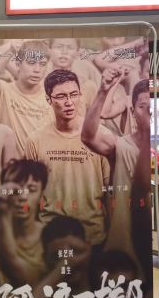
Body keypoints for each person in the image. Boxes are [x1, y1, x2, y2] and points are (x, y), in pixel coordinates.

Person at [24, 69, 109, 255]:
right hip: (51, 237)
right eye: (61, 96)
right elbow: (31, 195)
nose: (69, 102)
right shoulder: (35, 141)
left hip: (93, 237)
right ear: (49, 99)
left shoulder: (101, 136)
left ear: (80, 95)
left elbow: (111, 191)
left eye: (73, 95)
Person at [81, 69, 151, 274]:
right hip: (123, 253)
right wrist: (103, 91)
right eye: (143, 107)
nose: (148, 113)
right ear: (132, 110)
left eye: (153, 108)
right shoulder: (121, 146)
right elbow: (88, 137)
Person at [0, 158, 49, 298]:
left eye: (31, 189)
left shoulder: (50, 238)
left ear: (42, 195)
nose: (22, 196)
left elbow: (24, 276)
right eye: (14, 189)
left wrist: (3, 213)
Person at [0, 40, 52, 154]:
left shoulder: (51, 97)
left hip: (43, 163)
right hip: (11, 164)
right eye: (31, 62)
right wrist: (11, 50)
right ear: (18, 64)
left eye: (42, 64)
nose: (37, 70)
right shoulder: (3, 90)